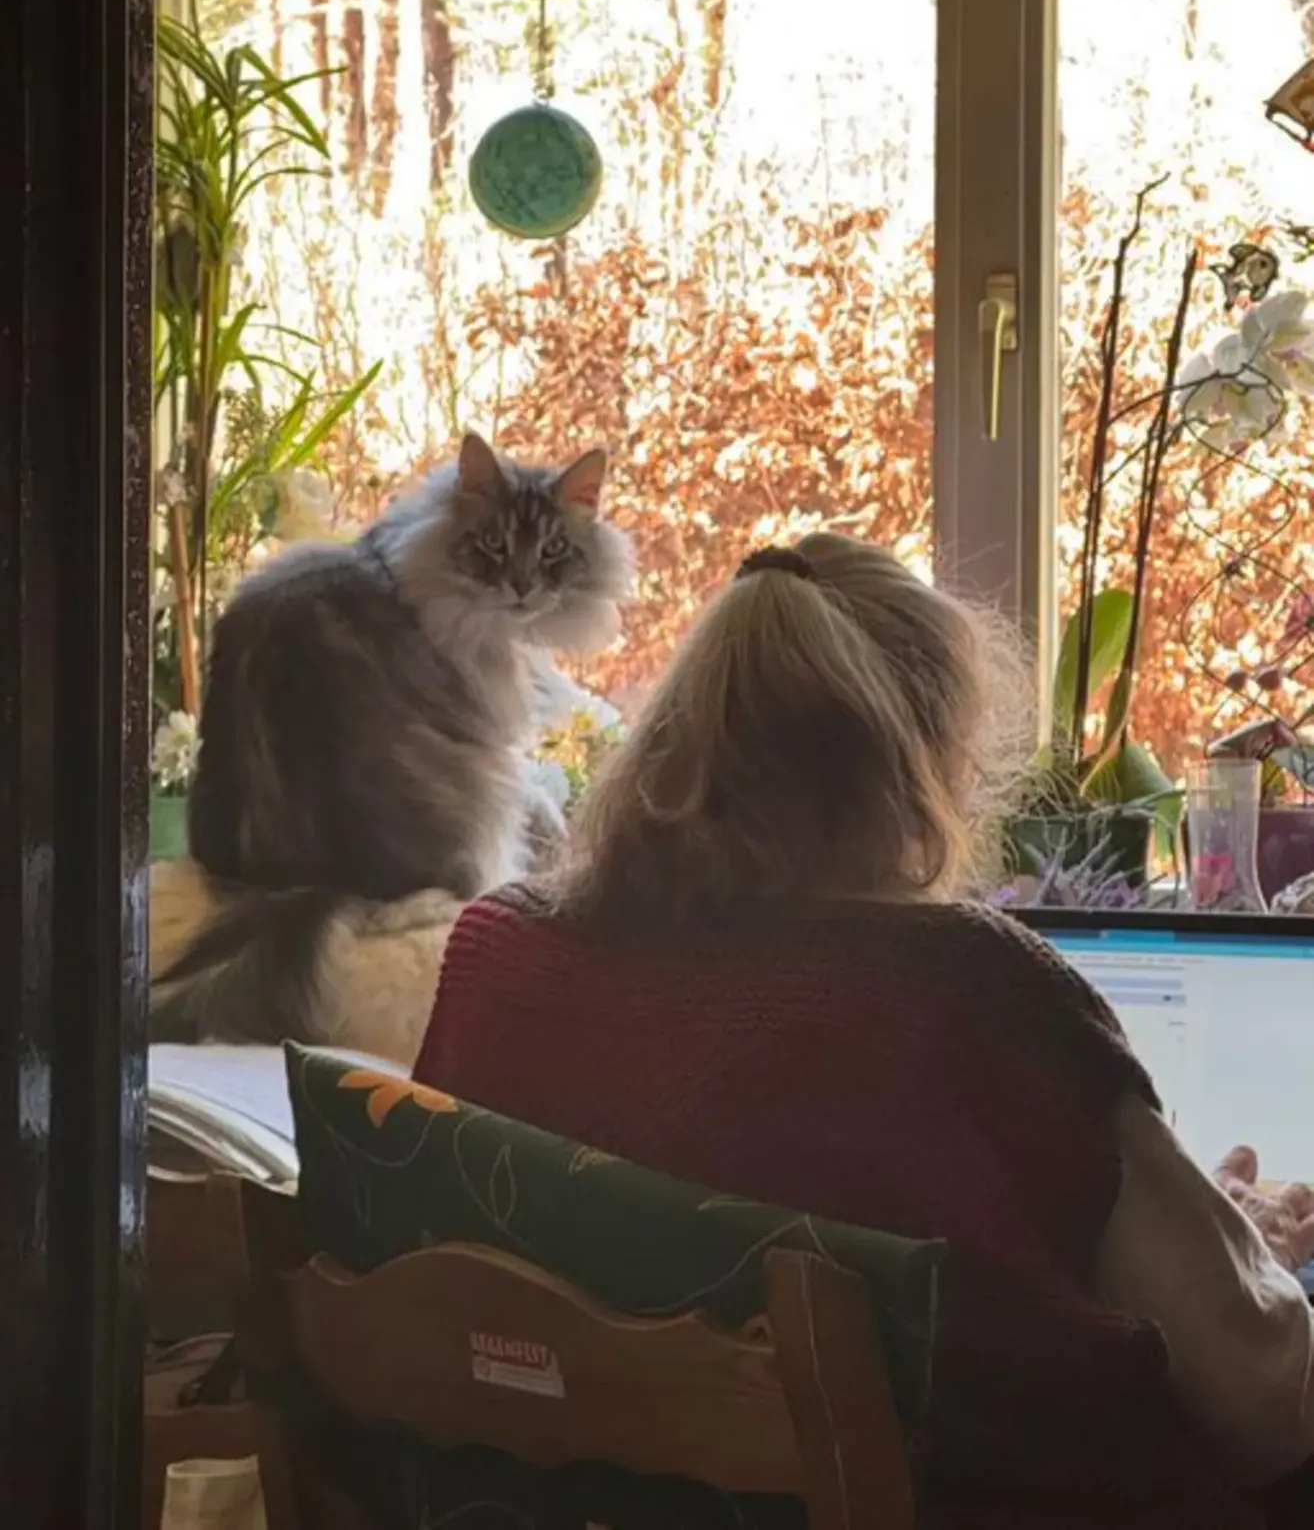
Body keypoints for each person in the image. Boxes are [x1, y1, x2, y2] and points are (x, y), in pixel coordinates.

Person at [414, 535, 1314, 1529]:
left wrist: (1211, 1236)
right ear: (924, 768)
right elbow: (1268, 1411)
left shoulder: (498, 958)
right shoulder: (962, 996)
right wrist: (1250, 1262)